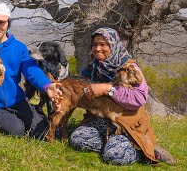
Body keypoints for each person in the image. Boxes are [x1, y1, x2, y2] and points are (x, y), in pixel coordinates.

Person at [68, 27, 175, 165]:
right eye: (94, 44)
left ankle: (142, 150)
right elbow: (80, 88)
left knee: (114, 156)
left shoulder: (129, 67)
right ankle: (110, 143)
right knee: (77, 139)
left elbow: (139, 98)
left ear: (113, 45)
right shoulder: (93, 67)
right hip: (102, 120)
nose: (97, 48)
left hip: (127, 123)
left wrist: (108, 89)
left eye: (103, 44)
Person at [0, 3, 62, 139]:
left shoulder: (19, 47)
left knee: (42, 132)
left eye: (1, 23)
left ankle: (32, 114)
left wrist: (47, 85)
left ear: (8, 23)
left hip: (17, 101)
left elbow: (31, 69)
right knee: (17, 130)